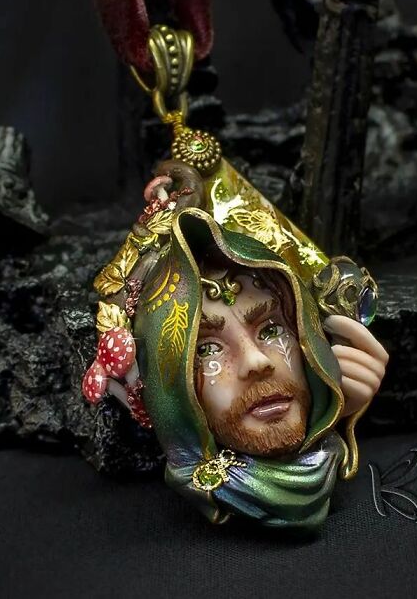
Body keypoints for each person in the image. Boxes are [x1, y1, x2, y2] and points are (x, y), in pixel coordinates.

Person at [133, 209, 388, 528]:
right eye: (207, 349)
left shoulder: (328, 455)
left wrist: (339, 411)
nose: (257, 362)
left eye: (270, 329)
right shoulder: (209, 483)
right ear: (169, 388)